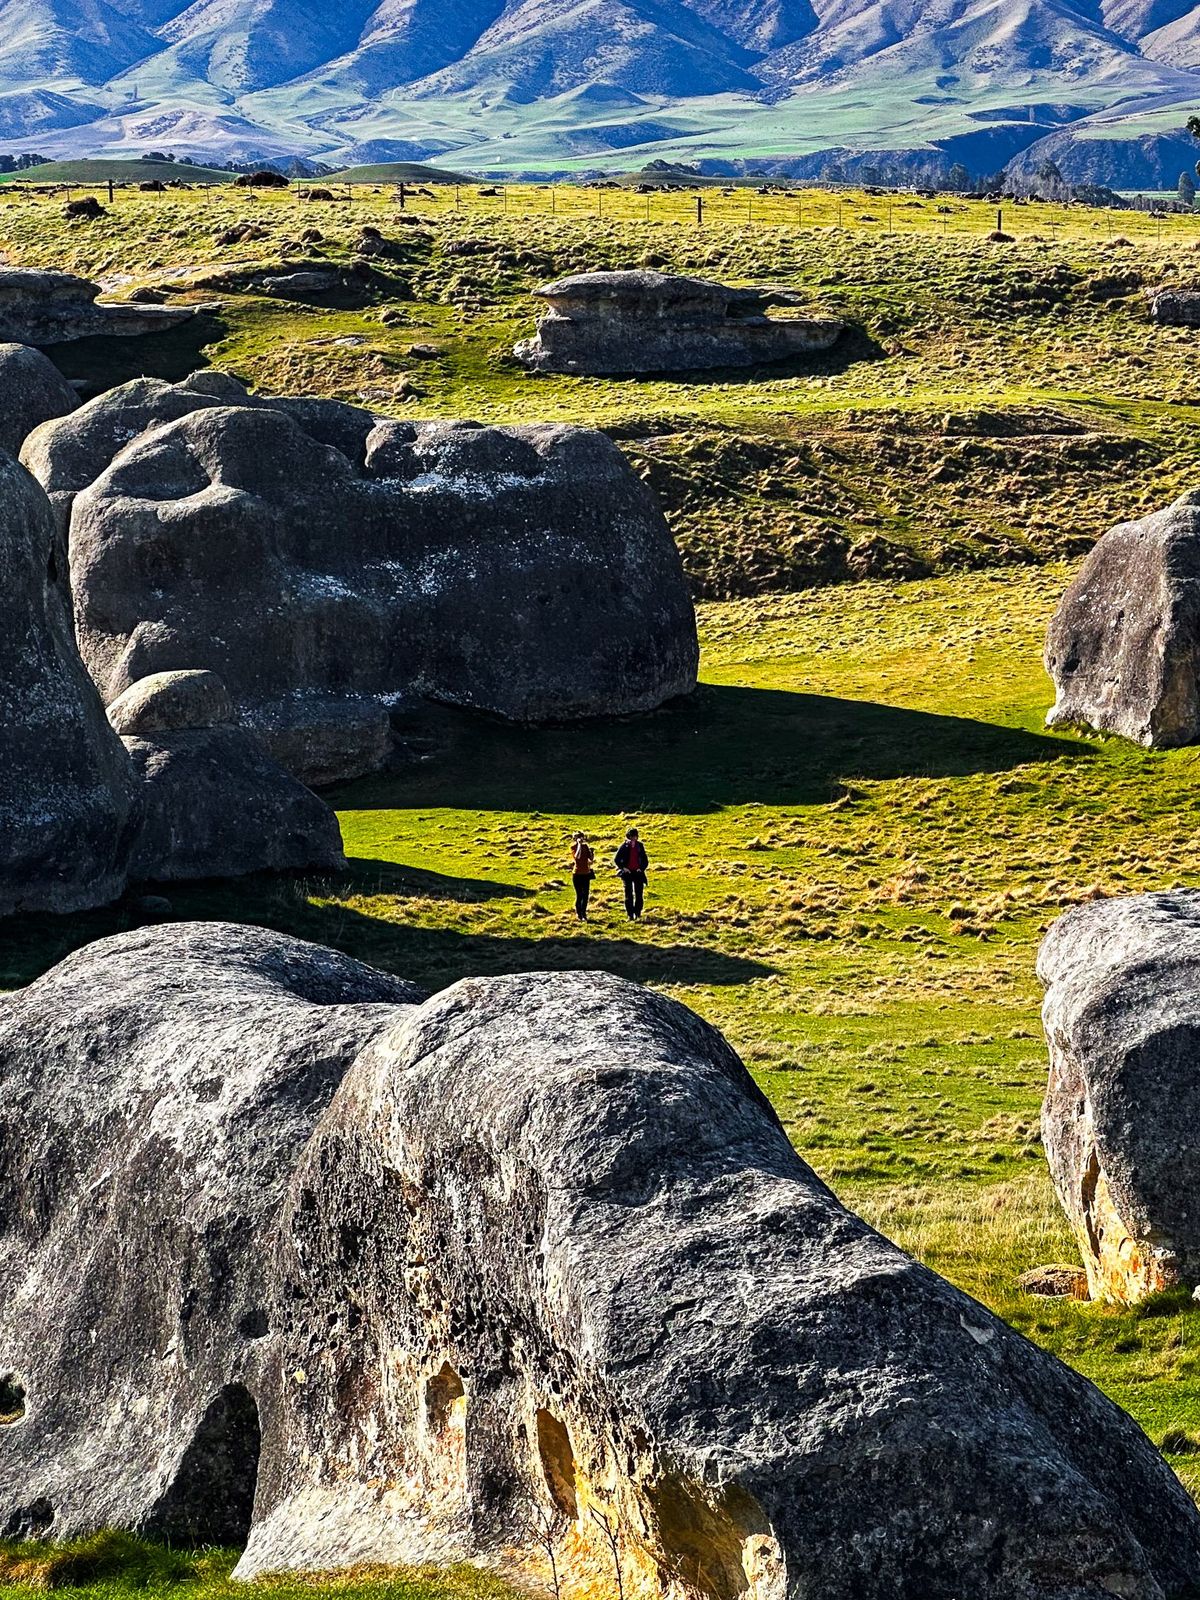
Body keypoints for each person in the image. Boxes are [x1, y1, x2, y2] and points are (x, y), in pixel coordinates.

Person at [614, 827, 648, 921]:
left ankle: (637, 913)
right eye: (631, 837)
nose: (633, 839)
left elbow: (645, 860)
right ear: (628, 837)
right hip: (627, 874)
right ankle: (630, 915)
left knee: (639, 894)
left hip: (638, 873)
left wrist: (641, 869)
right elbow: (616, 859)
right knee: (628, 894)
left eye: (634, 837)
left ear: (637, 837)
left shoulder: (640, 846)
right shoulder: (624, 846)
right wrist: (624, 868)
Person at [570, 831, 595, 921]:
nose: (580, 839)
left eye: (581, 837)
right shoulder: (573, 847)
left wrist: (592, 853)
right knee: (579, 894)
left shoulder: (585, 846)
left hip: (586, 873)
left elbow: (590, 859)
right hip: (577, 874)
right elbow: (577, 857)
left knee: (585, 895)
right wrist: (579, 845)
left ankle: (584, 913)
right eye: (578, 837)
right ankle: (579, 914)